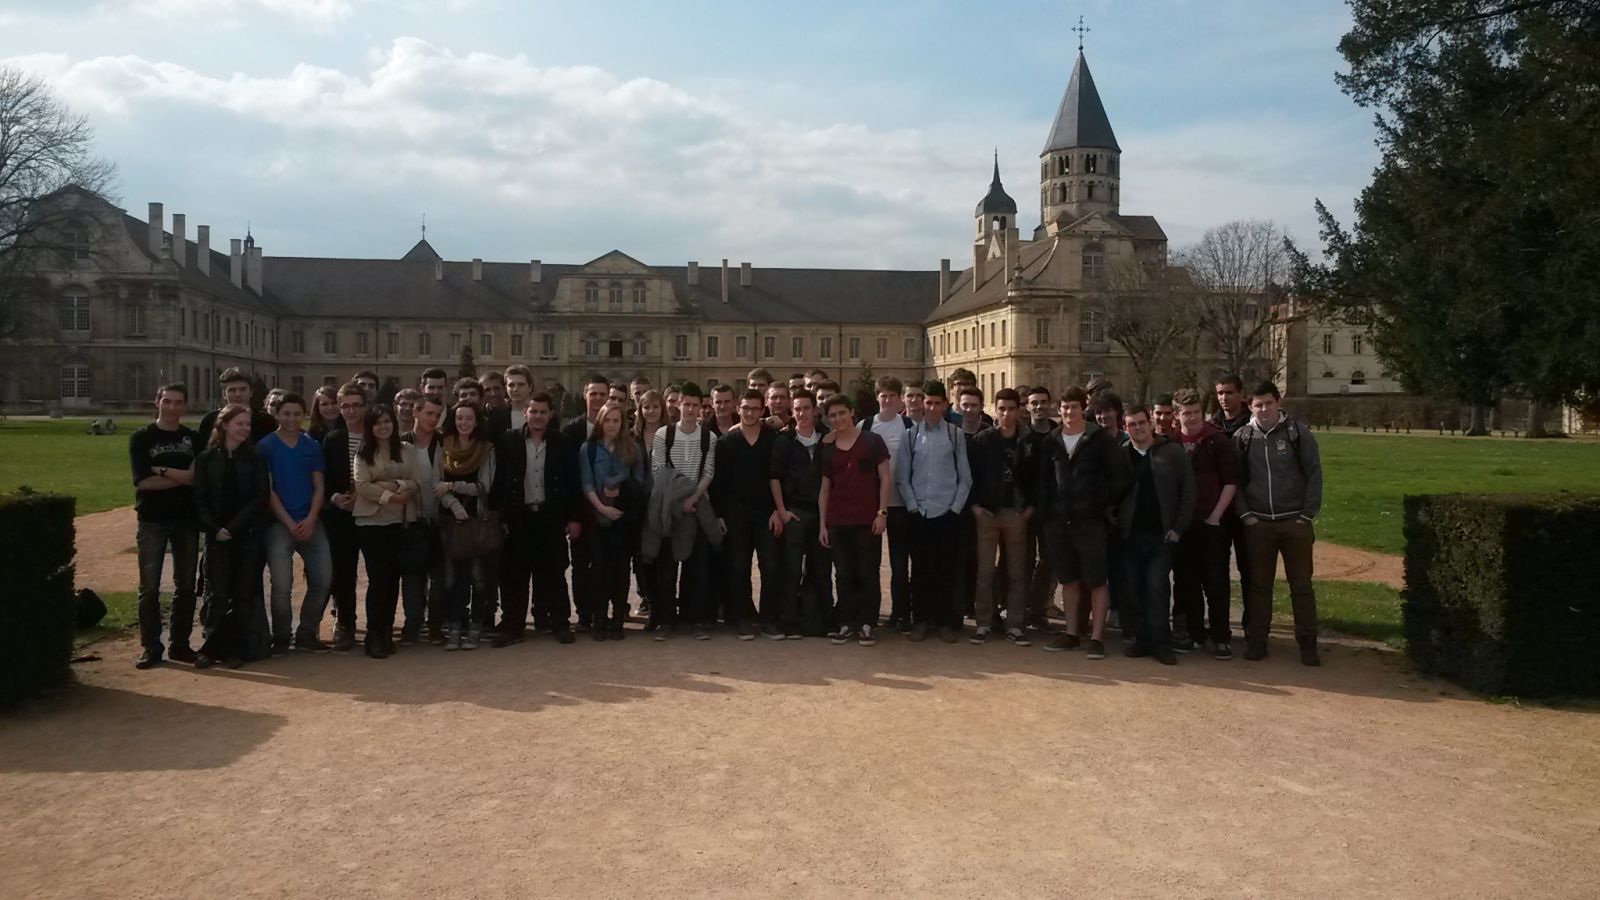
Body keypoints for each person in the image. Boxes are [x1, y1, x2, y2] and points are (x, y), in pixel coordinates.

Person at [1233, 381, 1324, 665]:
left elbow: (1314, 474)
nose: (1263, 410)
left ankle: (1308, 643)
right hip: (1259, 523)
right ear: (1250, 406)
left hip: (1294, 522)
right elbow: (1234, 481)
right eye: (1258, 405)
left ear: (1278, 402)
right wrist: (1246, 515)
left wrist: (1306, 515)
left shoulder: (1298, 433)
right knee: (1260, 586)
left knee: (1301, 585)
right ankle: (1258, 641)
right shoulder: (1243, 437)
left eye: (1268, 404)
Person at [1040, 386, 1132, 660]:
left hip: (1090, 522)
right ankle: (1071, 633)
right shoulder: (1052, 440)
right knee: (1069, 579)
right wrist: (1047, 517)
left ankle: (1096, 637)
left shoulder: (1100, 440)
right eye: (1065, 407)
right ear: (1060, 409)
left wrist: (1101, 505)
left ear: (1084, 409)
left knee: (1096, 580)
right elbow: (1044, 482)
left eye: (1075, 407)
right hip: (1060, 522)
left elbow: (1120, 478)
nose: (1069, 412)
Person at [491, 392, 581, 645]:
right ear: (525, 413)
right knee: (514, 575)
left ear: (550, 414)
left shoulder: (561, 442)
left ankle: (560, 623)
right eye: (534, 411)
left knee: (554, 573)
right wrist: (499, 515)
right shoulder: (509, 441)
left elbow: (572, 482)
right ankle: (513, 626)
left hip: (550, 516)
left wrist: (573, 518)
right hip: (518, 517)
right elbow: (501, 479)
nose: (538, 416)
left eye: (543, 412)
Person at [192, 404, 272, 669]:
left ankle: (236, 648)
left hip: (245, 533)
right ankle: (211, 646)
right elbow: (199, 497)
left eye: (247, 424)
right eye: (240, 423)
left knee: (242, 592)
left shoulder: (255, 456)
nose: (245, 429)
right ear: (224, 425)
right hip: (216, 535)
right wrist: (214, 529)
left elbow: (260, 496)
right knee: (216, 592)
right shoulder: (206, 458)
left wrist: (233, 528)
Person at [129, 383, 202, 669]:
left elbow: (196, 478)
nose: (172, 407)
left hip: (186, 518)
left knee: (185, 586)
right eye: (167, 401)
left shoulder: (193, 438)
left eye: (178, 402)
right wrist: (181, 476)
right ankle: (151, 647)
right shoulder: (141, 438)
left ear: (185, 405)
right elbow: (143, 482)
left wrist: (160, 470)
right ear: (157, 402)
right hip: (151, 519)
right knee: (149, 588)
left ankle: (180, 645)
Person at [1117, 405, 1196, 665]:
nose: (1137, 428)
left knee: (1157, 588)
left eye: (1141, 423)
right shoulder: (1121, 455)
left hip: (1161, 535)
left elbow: (1188, 491)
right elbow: (1108, 492)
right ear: (1125, 428)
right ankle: (1141, 639)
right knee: (1134, 589)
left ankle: (1161, 642)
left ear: (1150, 423)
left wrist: (1178, 527)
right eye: (1131, 425)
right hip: (1129, 535)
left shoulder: (1171, 453)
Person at [895, 380, 972, 643]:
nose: (931, 407)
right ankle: (921, 620)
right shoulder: (911, 435)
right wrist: (913, 507)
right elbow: (903, 477)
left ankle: (945, 622)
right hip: (920, 513)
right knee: (921, 571)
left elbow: (965, 478)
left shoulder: (955, 434)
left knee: (947, 570)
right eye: (928, 402)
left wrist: (955, 509)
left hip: (947, 513)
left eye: (937, 403)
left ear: (945, 405)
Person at [257, 392, 334, 653]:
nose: (291, 419)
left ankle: (306, 632)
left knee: (323, 578)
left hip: (310, 520)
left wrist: (311, 519)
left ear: (305, 415)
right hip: (280, 522)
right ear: (276, 414)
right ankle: (281, 636)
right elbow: (268, 491)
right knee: (281, 583)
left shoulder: (310, 445)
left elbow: (319, 486)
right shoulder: (266, 446)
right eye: (286, 413)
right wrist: (290, 523)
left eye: (297, 414)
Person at [645, 382, 718, 638]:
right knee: (667, 569)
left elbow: (708, 472)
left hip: (697, 507)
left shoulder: (710, 437)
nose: (689, 409)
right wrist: (678, 502)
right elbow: (658, 471)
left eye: (694, 405)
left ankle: (694, 620)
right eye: (685, 404)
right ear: (677, 405)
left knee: (697, 568)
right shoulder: (663, 435)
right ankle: (666, 621)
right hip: (669, 509)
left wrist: (694, 498)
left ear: (701, 408)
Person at [818, 395, 892, 646]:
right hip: (838, 520)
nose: (838, 418)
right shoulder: (827, 448)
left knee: (868, 572)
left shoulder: (872, 441)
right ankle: (847, 622)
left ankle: (868, 622)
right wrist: (822, 525)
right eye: (833, 415)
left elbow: (885, 479)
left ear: (852, 412)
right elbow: (825, 489)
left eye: (842, 413)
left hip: (867, 520)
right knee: (843, 574)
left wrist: (882, 513)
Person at [1173, 387, 1239, 659]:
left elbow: (1230, 481)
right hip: (1184, 523)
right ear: (1178, 415)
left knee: (1215, 580)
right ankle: (1195, 632)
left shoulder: (1216, 440)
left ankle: (1221, 635)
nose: (1192, 418)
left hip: (1212, 522)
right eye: (1186, 413)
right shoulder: (1173, 442)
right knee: (1187, 581)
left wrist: (1215, 516)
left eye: (1196, 412)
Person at [712, 389, 782, 639]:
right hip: (736, 513)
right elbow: (718, 482)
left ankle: (768, 619)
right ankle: (741, 618)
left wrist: (777, 510)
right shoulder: (726, 442)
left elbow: (778, 477)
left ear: (763, 410)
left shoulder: (772, 439)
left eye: (755, 408)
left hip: (765, 512)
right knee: (738, 567)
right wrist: (720, 515)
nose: (750, 413)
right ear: (738, 409)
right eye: (746, 408)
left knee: (770, 566)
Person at [351, 405, 419, 658]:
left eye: (387, 421)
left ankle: (387, 631)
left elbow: (415, 481)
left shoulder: (406, 449)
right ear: (370, 427)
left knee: (393, 580)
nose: (383, 426)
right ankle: (374, 634)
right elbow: (362, 486)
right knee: (379, 580)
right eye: (377, 423)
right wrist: (393, 494)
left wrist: (392, 485)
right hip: (371, 524)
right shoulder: (363, 453)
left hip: (400, 521)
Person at [969, 388, 1036, 645]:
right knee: (985, 571)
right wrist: (975, 507)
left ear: (1019, 410)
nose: (1006, 414)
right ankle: (983, 623)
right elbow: (970, 476)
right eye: (1001, 409)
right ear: (994, 410)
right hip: (987, 512)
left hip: (1016, 513)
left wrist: (1030, 510)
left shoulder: (1029, 440)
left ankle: (1015, 624)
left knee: (1017, 572)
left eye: (1011, 408)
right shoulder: (982, 440)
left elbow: (1038, 478)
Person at [580, 401, 648, 640]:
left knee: (620, 572)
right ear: (600, 421)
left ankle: (618, 620)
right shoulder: (588, 449)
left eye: (616, 421)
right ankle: (600, 620)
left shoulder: (632, 449)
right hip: (597, 517)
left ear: (622, 423)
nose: (611, 425)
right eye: (607, 420)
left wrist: (620, 492)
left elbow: (640, 482)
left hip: (624, 517)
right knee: (599, 571)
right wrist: (601, 507)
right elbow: (586, 482)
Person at [436, 400, 498, 651]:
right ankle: (453, 628)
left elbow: (484, 487)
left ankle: (475, 627)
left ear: (476, 422)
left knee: (478, 577)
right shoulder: (444, 446)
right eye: (459, 418)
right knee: (452, 578)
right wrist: (453, 503)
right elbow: (436, 484)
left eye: (469, 419)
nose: (463, 423)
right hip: (449, 519)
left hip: (476, 521)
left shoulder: (486, 449)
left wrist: (453, 487)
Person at [769, 388, 830, 638]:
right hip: (795, 512)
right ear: (791, 413)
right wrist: (782, 511)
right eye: (797, 409)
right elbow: (774, 478)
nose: (802, 413)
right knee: (792, 569)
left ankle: (821, 621)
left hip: (821, 514)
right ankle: (790, 621)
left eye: (806, 408)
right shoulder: (784, 441)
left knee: (821, 569)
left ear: (815, 410)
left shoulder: (827, 438)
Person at [319, 382, 367, 652]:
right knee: (343, 572)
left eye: (355, 405)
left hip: (372, 512)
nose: (349, 410)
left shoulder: (376, 434)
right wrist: (335, 497)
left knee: (379, 571)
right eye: (345, 405)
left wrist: (365, 497)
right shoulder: (334, 438)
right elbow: (324, 479)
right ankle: (346, 624)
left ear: (365, 406)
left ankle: (380, 625)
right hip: (341, 514)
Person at [563, 374, 610, 630]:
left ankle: (602, 613)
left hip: (608, 509)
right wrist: (571, 516)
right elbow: (569, 477)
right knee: (580, 566)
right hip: (580, 509)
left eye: (602, 394)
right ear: (585, 395)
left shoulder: (614, 427)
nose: (598, 398)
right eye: (594, 393)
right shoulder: (571, 430)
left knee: (604, 564)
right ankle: (583, 614)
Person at [868, 376, 915, 632]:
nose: (887, 400)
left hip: (900, 505)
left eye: (892, 396)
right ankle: (872, 613)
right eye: (883, 395)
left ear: (900, 399)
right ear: (877, 397)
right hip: (871, 505)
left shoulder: (908, 425)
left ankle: (901, 614)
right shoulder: (866, 425)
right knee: (871, 562)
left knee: (899, 563)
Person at [401, 395, 447, 645]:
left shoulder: (443, 443)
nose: (433, 419)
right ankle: (412, 624)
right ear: (415, 413)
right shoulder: (401, 443)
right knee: (412, 576)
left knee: (439, 577)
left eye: (437, 415)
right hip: (411, 519)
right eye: (429, 414)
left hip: (438, 518)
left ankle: (436, 625)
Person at [1024, 385, 1062, 629]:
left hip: (1051, 509)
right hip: (1025, 509)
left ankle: (1038, 610)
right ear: (1027, 406)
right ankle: (1018, 610)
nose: (1038, 407)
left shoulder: (1058, 436)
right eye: (1034, 403)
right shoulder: (1021, 435)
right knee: (1022, 562)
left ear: (1051, 404)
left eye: (1042, 402)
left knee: (1049, 561)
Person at [196, 367, 275, 445]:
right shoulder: (210, 421)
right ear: (224, 394)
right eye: (232, 390)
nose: (238, 394)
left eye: (243, 389)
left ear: (251, 392)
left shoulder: (266, 421)